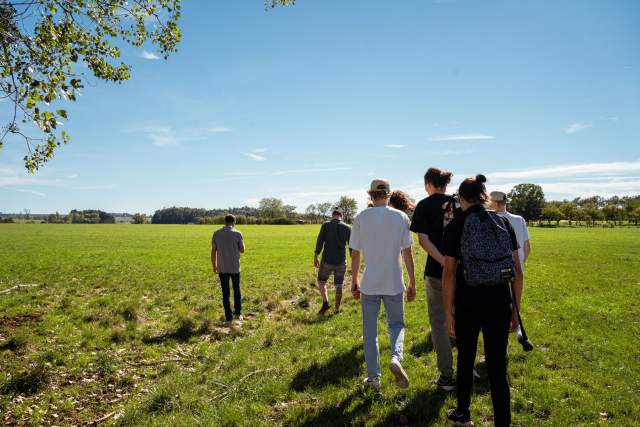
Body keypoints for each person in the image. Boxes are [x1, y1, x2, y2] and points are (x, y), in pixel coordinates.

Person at [442, 175, 523, 427]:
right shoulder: (503, 223)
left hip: (468, 302)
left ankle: (463, 413)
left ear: (462, 198)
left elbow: (448, 274)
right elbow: (518, 272)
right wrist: (515, 311)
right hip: (500, 300)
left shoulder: (456, 225)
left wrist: (448, 312)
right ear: (484, 197)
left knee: (466, 358)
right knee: (498, 366)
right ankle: (503, 422)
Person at [350, 178, 417, 390]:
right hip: (394, 281)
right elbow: (407, 253)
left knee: (370, 332)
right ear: (388, 194)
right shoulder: (401, 217)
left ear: (371, 195)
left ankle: (374, 379)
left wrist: (354, 281)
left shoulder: (361, 217)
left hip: (369, 282)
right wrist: (412, 281)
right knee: (396, 325)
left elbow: (355, 254)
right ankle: (396, 357)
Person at [409, 167, 459, 391]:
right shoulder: (460, 203)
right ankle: (469, 367)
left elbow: (423, 240)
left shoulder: (424, 205)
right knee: (466, 320)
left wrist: (442, 261)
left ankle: (446, 377)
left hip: (436, 273)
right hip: (464, 272)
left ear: (429, 183)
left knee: (439, 323)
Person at [490, 191, 531, 345]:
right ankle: (517, 327)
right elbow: (527, 247)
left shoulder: (491, 220)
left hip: (499, 271)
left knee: (500, 309)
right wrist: (521, 262)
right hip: (517, 270)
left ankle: (503, 345)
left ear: (494, 202)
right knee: (515, 304)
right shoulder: (519, 220)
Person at [314, 206, 351, 314]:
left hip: (327, 261)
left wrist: (316, 255)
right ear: (341, 216)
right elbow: (351, 246)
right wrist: (353, 260)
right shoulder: (347, 227)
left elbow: (320, 240)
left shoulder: (326, 225)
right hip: (341, 261)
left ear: (332, 215)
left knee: (321, 281)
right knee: (339, 285)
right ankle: (336, 309)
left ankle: (325, 303)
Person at [211, 214, 245, 323]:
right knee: (237, 290)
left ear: (224, 222)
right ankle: (238, 314)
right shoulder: (238, 233)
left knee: (225, 293)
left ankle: (228, 317)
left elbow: (213, 251)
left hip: (222, 267)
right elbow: (242, 250)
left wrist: (214, 265)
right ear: (234, 222)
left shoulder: (216, 233)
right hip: (235, 267)